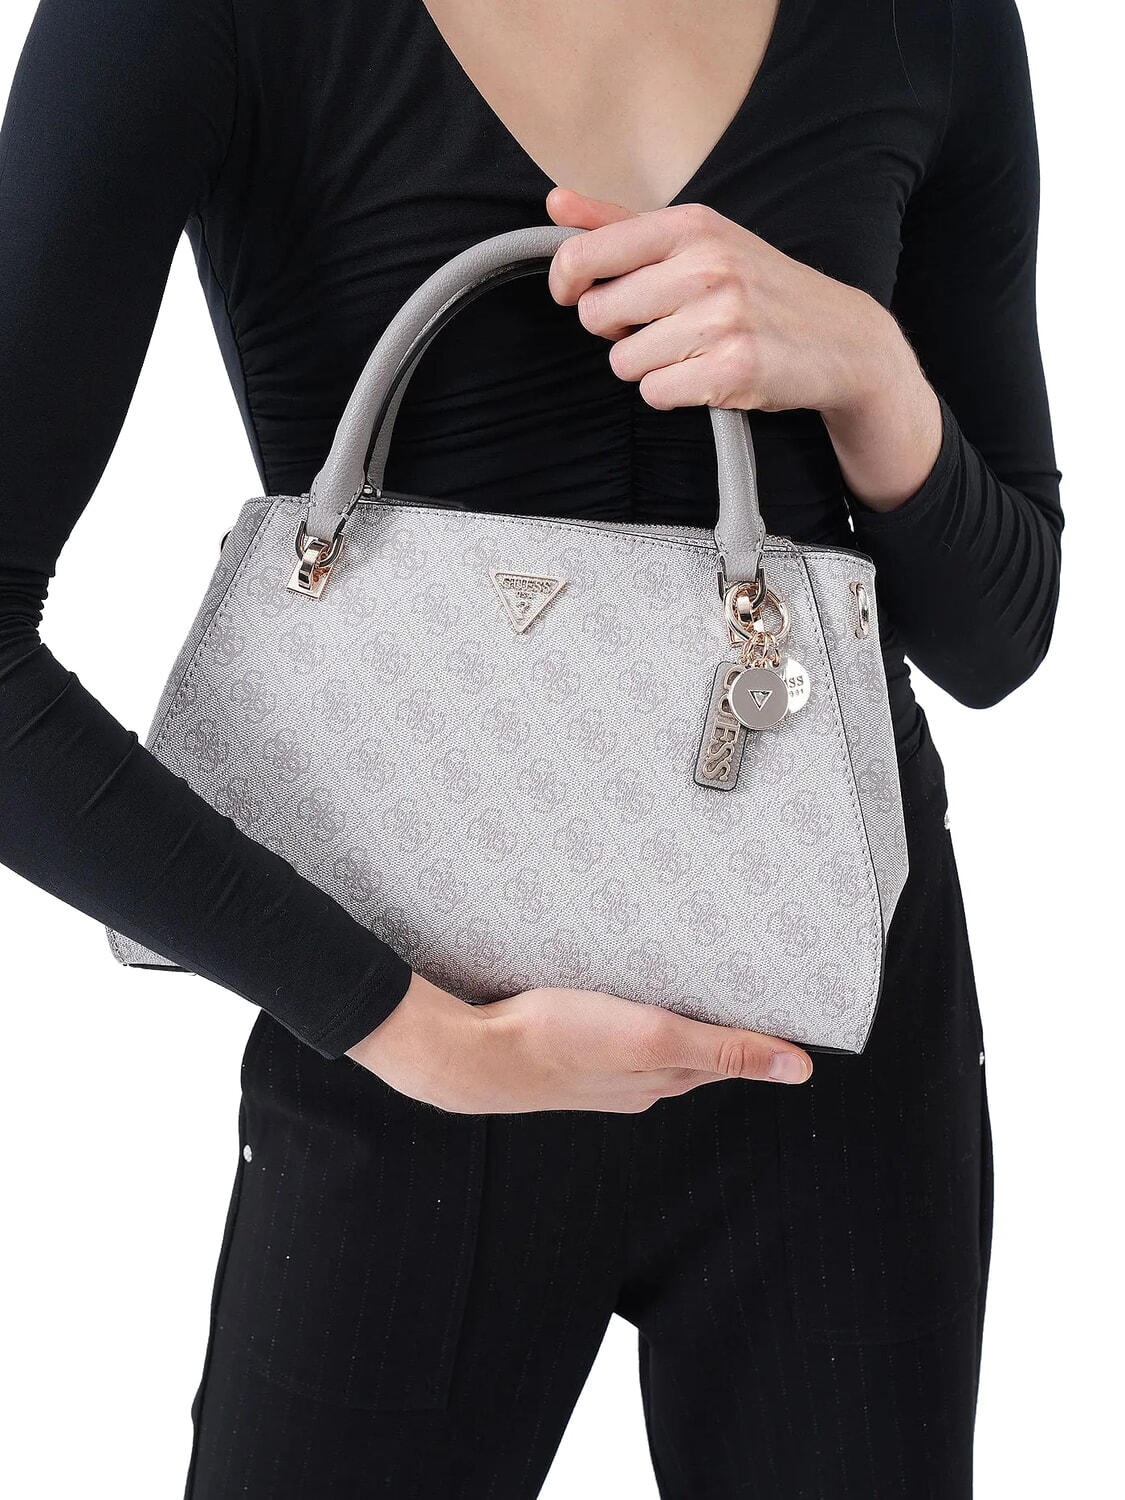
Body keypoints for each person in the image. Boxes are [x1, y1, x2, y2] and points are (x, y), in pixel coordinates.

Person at [0, 0, 1062, 1495]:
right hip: (399, 1040)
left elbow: (999, 640)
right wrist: (420, 1035)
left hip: (837, 1039)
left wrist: (872, 372)